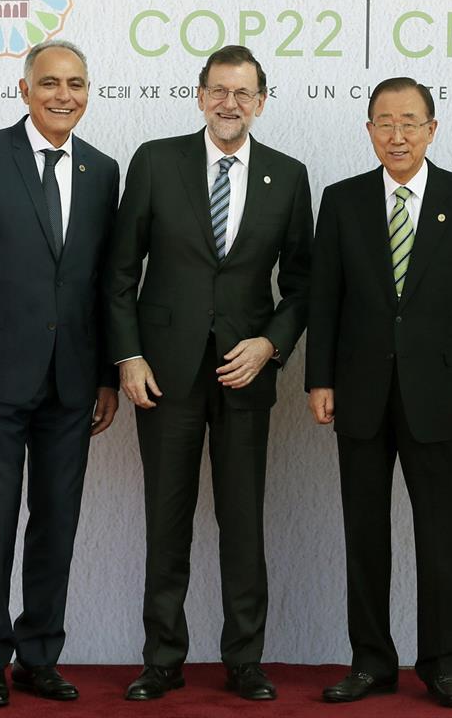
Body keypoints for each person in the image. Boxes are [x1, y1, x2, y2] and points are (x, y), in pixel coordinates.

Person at [105, 45, 313, 702]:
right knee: (166, 519)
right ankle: (162, 659)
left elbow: (304, 284)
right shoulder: (155, 162)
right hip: (162, 375)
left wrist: (271, 345)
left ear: (261, 102)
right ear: (200, 96)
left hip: (244, 377)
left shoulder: (287, 174)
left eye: (243, 93)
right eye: (219, 91)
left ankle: (245, 660)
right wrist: (128, 356)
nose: (230, 104)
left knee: (244, 520)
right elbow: (118, 274)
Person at [0, 40, 120, 707]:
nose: (65, 95)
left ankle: (39, 656)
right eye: (51, 83)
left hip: (73, 382)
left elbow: (102, 284)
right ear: (24, 88)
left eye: (78, 84)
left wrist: (107, 379)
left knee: (57, 523)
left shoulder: (102, 170)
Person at [305, 77, 452, 708]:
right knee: (364, 534)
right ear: (369, 131)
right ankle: (370, 663)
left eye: (410, 122)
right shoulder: (341, 200)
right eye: (384, 123)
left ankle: (446, 665)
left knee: (441, 535)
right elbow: (325, 297)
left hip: (440, 393)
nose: (397, 135)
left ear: (432, 129)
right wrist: (319, 378)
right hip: (358, 392)